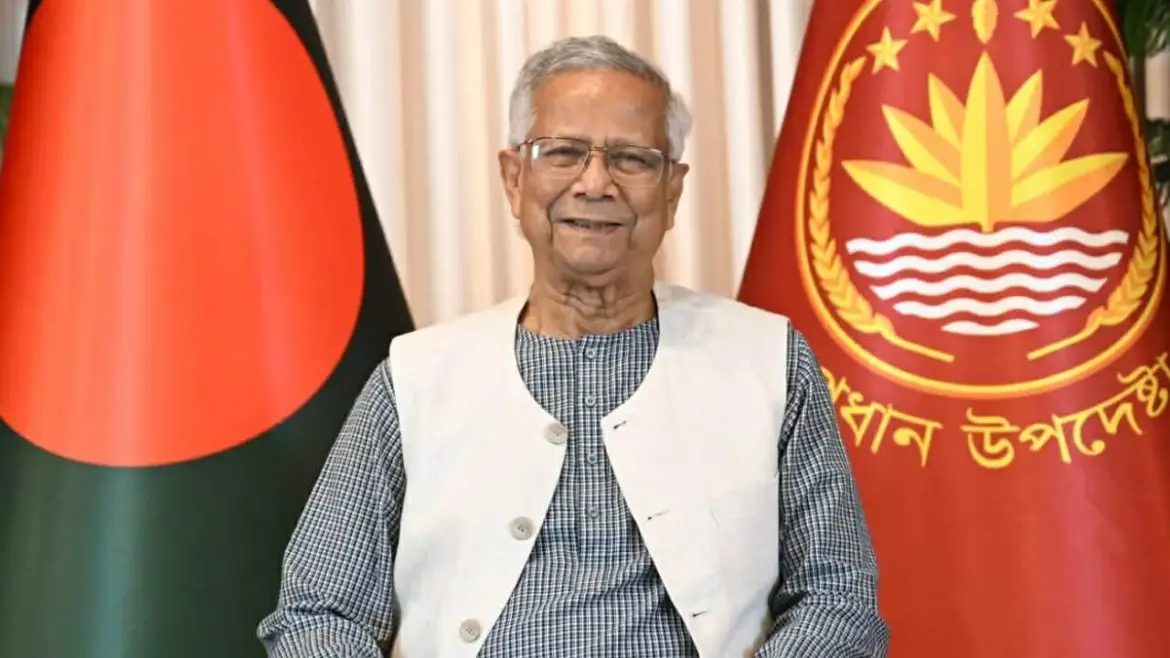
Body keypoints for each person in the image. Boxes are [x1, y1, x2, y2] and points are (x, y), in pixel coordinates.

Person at [257, 35, 890, 658]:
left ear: (672, 191)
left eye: (632, 159)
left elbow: (838, 601)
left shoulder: (768, 362)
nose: (595, 183)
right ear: (514, 179)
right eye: (562, 153)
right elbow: (318, 613)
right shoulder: (416, 378)